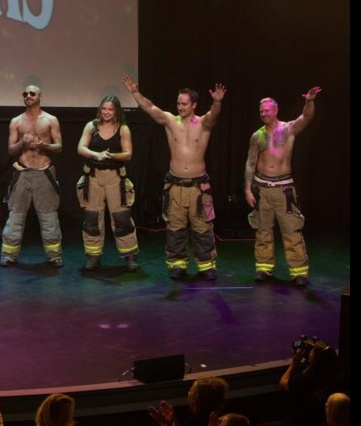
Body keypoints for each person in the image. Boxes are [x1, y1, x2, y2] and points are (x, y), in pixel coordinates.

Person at [122, 76, 226, 280]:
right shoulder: (171, 121)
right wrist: (135, 93)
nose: (180, 107)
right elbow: (151, 108)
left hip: (198, 188)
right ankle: (177, 265)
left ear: (194, 105)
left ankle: (206, 265)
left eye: (184, 104)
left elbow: (214, 115)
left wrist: (217, 101)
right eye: (178, 103)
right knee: (175, 228)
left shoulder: (203, 123)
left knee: (202, 229)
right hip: (175, 186)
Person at [243, 87, 321, 287]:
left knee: (292, 230)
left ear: (275, 110)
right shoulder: (256, 136)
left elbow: (306, 117)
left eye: (267, 110)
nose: (263, 113)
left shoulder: (288, 129)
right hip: (262, 189)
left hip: (284, 189)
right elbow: (250, 163)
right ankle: (263, 268)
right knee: (262, 231)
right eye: (261, 111)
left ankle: (299, 272)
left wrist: (309, 101)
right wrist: (247, 189)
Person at [0, 84, 64, 268]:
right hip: (22, 172)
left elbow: (59, 147)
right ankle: (8, 255)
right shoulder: (16, 121)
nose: (28, 96)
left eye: (32, 93)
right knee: (16, 216)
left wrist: (43, 145)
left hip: (44, 172)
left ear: (40, 97)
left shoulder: (51, 120)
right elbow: (11, 150)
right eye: (25, 93)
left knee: (49, 216)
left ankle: (54, 255)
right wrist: (22, 142)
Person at [76, 95, 139, 272]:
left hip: (115, 178)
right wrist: (97, 155)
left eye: (110, 109)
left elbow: (128, 154)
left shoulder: (123, 129)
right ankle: (93, 257)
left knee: (121, 218)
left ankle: (130, 257)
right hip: (93, 176)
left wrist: (110, 155)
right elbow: (80, 148)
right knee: (92, 218)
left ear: (116, 111)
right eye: (104, 108)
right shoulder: (91, 126)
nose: (106, 112)